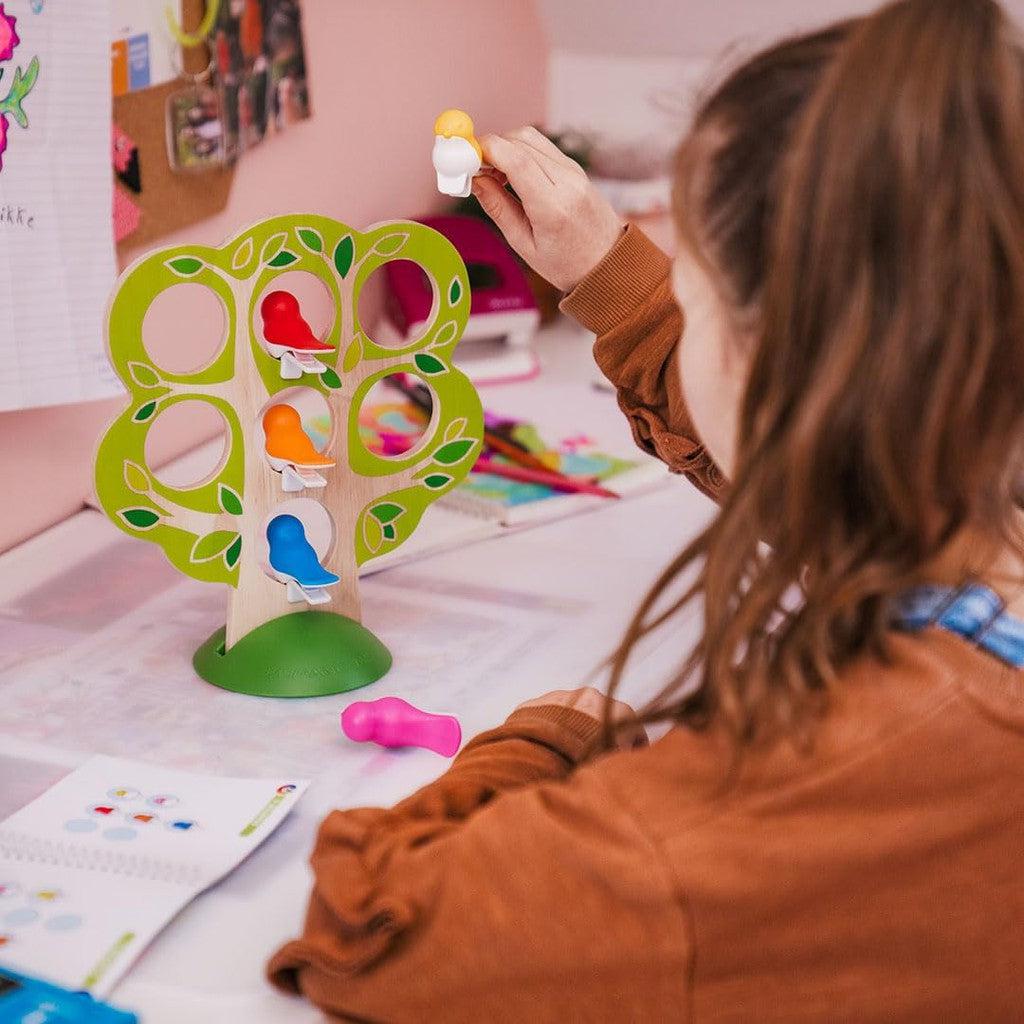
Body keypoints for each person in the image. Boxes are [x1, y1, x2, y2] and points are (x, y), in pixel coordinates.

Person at [268, 1, 1024, 1018]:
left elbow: (373, 929)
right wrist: (607, 274)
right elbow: (807, 457)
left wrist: (550, 738)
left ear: (781, 360)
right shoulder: (963, 494)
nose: (682, 299)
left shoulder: (766, 807)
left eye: (697, 283)